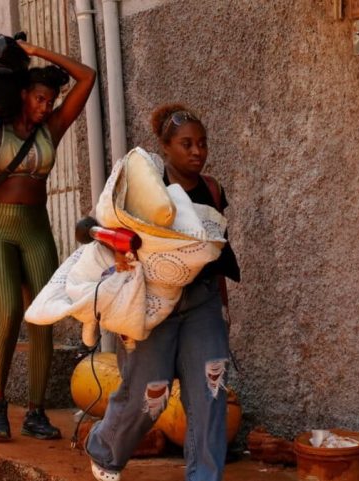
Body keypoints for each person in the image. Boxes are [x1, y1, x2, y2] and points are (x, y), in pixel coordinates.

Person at [85, 104, 240, 481]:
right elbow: (100, 231)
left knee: (211, 388)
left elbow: (217, 253)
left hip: (202, 303)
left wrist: (222, 307)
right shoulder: (144, 187)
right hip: (154, 306)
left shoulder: (213, 190)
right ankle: (105, 449)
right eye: (186, 144)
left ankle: (204, 475)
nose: (197, 152)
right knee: (149, 395)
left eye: (202, 143)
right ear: (165, 147)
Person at [0, 39, 95, 441]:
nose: (45, 107)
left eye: (49, 101)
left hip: (36, 227)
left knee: (45, 318)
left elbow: (87, 77)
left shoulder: (51, 129)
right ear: (22, 96)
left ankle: (35, 412)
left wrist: (38, 51)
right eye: (38, 98)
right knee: (10, 311)